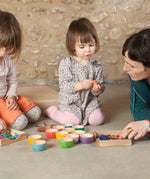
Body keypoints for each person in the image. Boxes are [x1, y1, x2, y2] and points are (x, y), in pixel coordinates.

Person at [44, 17, 105, 125]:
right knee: (72, 121)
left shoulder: (96, 65)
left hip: (88, 102)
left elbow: (100, 86)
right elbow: (64, 86)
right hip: (71, 102)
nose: (88, 49)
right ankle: (53, 112)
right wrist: (80, 85)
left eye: (91, 45)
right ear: (73, 46)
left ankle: (89, 114)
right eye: (82, 47)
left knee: (97, 120)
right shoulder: (67, 63)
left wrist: (96, 89)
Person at [0, 10, 41, 133]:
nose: (2, 53)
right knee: (21, 123)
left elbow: (12, 81)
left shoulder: (8, 59)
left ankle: (7, 113)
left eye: (7, 48)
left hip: (5, 97)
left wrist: (11, 96)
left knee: (35, 113)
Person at [120, 28, 150, 140]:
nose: (125, 68)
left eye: (132, 66)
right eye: (125, 61)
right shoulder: (136, 76)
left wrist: (147, 124)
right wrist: (144, 122)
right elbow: (137, 107)